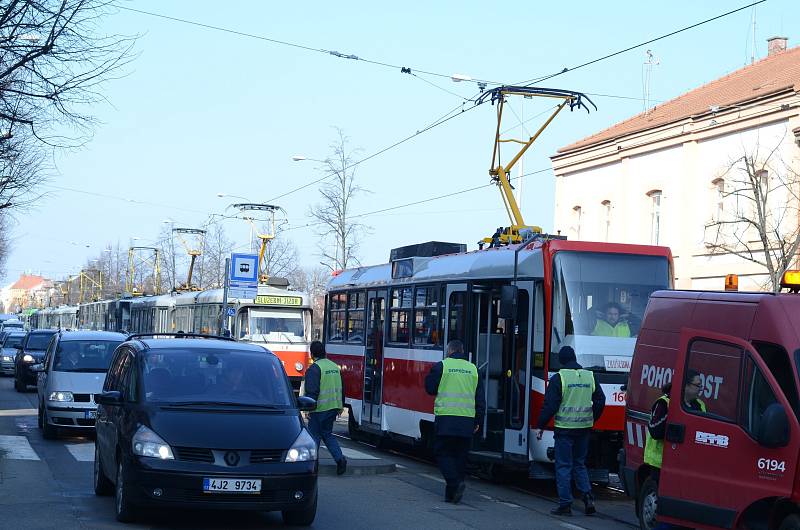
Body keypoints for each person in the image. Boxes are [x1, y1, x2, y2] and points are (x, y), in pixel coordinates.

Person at [535, 346, 606, 516]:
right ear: (575, 358)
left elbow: (550, 405)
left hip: (565, 430)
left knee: (564, 466)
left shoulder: (559, 378)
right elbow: (600, 400)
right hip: (584, 429)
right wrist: (592, 418)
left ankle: (565, 504)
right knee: (579, 464)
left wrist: (541, 426)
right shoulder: (590, 376)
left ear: (561, 361)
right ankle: (588, 498)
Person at [424, 339, 486, 504]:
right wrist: (478, 420)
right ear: (462, 350)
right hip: (467, 420)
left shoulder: (442, 366)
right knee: (460, 456)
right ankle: (451, 495)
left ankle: (455, 483)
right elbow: (480, 399)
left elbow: (429, 388)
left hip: (446, 419)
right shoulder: (474, 369)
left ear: (449, 351)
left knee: (442, 453)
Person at [644, 370, 705, 529]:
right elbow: (655, 431)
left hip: (687, 465)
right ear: (685, 386)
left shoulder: (700, 405)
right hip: (661, 464)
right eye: (697, 385)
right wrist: (675, 414)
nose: (700, 389)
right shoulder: (664, 403)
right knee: (666, 510)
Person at [303, 341, 347, 475]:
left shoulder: (314, 368)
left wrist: (308, 408)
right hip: (333, 407)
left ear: (312, 354)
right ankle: (340, 460)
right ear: (324, 352)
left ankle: (311, 464)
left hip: (319, 408)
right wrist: (341, 406)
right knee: (327, 434)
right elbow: (342, 388)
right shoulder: (334, 367)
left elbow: (312, 391)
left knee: (314, 437)